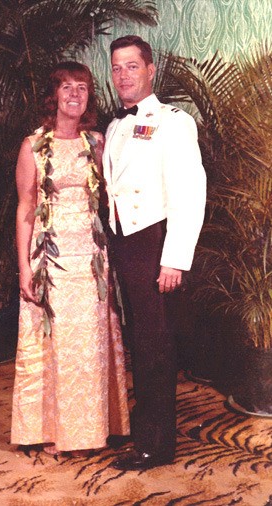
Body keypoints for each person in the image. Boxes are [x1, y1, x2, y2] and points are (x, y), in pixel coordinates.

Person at [11, 61, 130, 457]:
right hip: (51, 258)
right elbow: (26, 208)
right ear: (54, 96)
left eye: (82, 87)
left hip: (92, 257)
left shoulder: (95, 142)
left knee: (90, 342)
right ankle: (53, 430)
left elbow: (112, 198)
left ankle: (93, 430)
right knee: (57, 343)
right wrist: (24, 268)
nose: (75, 94)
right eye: (67, 88)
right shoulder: (33, 145)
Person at [102, 36, 207, 471]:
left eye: (131, 66)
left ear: (150, 70)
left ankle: (157, 445)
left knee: (155, 347)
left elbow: (190, 192)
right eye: (116, 68)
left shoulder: (173, 121)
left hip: (154, 243)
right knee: (138, 343)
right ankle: (143, 429)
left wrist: (174, 258)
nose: (123, 75)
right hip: (122, 243)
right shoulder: (113, 126)